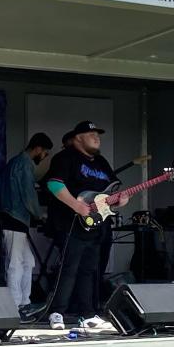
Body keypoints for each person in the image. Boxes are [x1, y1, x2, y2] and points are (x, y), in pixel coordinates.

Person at [44, 121, 128, 330]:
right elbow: (53, 184)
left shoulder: (101, 162)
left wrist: (121, 199)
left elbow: (113, 189)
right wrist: (76, 205)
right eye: (91, 134)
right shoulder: (65, 158)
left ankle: (87, 313)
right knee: (69, 267)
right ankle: (57, 312)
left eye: (98, 134)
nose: (97, 137)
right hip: (71, 222)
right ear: (78, 137)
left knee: (90, 269)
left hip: (96, 225)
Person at [0, 132, 52, 317]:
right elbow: (29, 195)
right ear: (38, 149)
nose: (44, 156)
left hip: (17, 220)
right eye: (45, 152)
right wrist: (40, 214)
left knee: (28, 261)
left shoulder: (17, 163)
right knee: (15, 264)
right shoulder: (23, 165)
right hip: (14, 219)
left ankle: (25, 302)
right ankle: (15, 305)